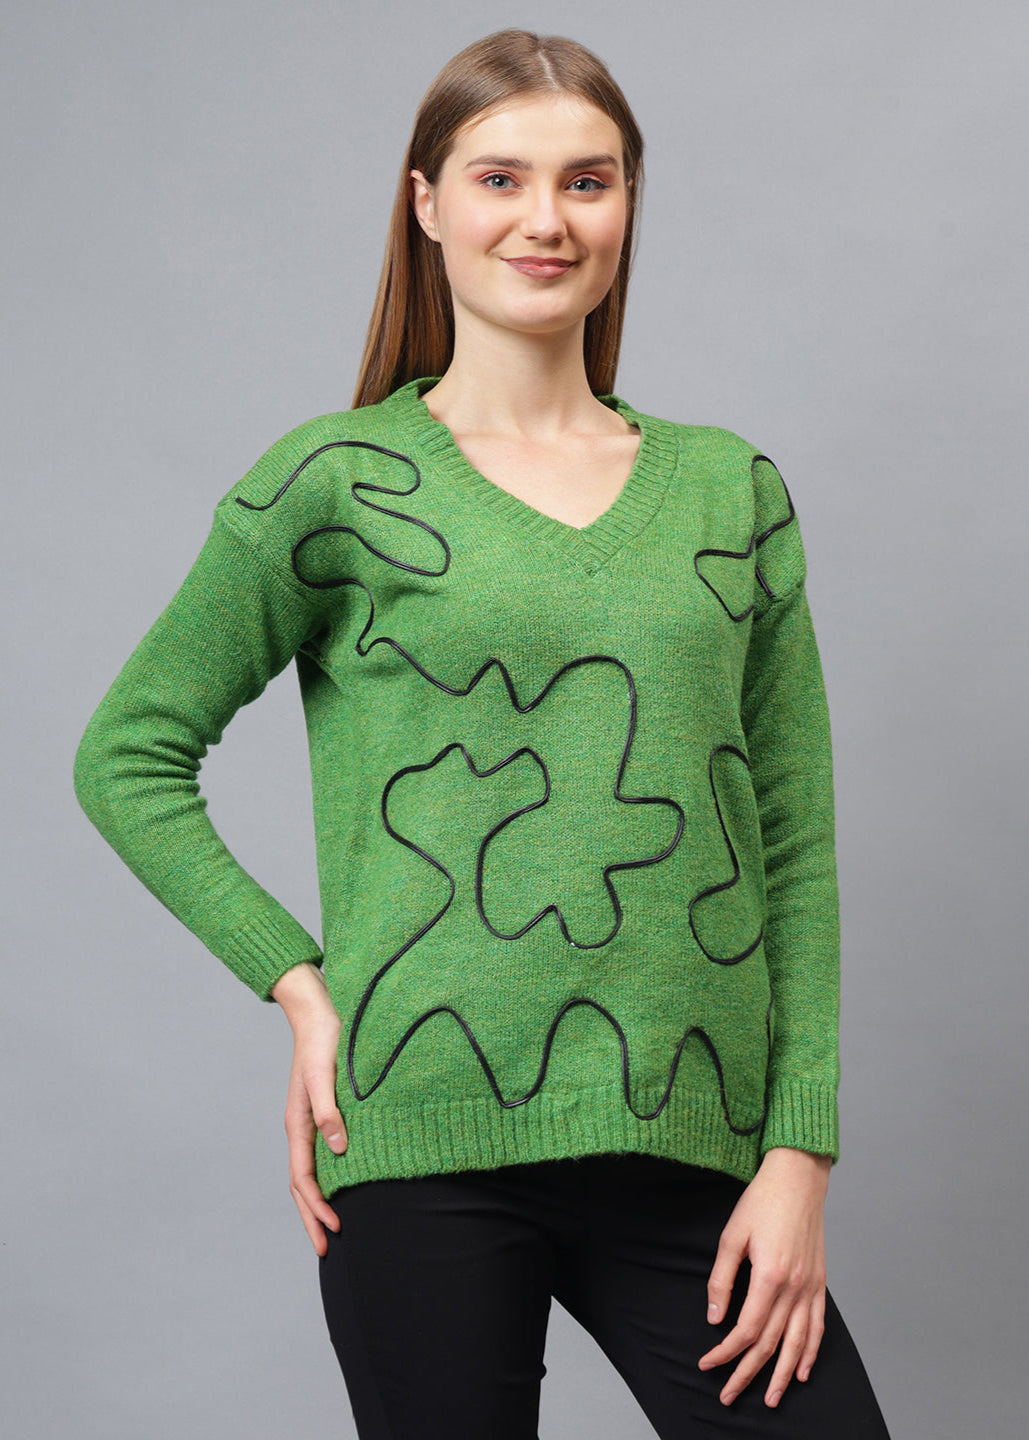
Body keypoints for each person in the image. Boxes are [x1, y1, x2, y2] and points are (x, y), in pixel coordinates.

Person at [72, 26, 893, 1440]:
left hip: (695, 1148)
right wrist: (297, 984)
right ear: (428, 203)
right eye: (500, 178)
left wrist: (799, 1150)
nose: (545, 219)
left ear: (627, 205)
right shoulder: (334, 483)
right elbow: (128, 754)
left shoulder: (729, 494)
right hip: (419, 1141)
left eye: (588, 181)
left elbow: (791, 840)